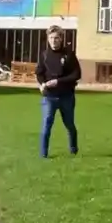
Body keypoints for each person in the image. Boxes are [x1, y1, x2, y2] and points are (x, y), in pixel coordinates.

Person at [35, 25, 81, 158]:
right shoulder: (44, 55)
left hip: (67, 96)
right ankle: (43, 155)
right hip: (49, 96)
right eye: (51, 38)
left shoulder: (69, 55)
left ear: (61, 39)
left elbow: (77, 74)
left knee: (69, 125)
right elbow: (39, 73)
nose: (53, 41)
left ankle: (73, 149)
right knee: (46, 125)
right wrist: (42, 84)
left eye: (56, 38)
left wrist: (58, 81)